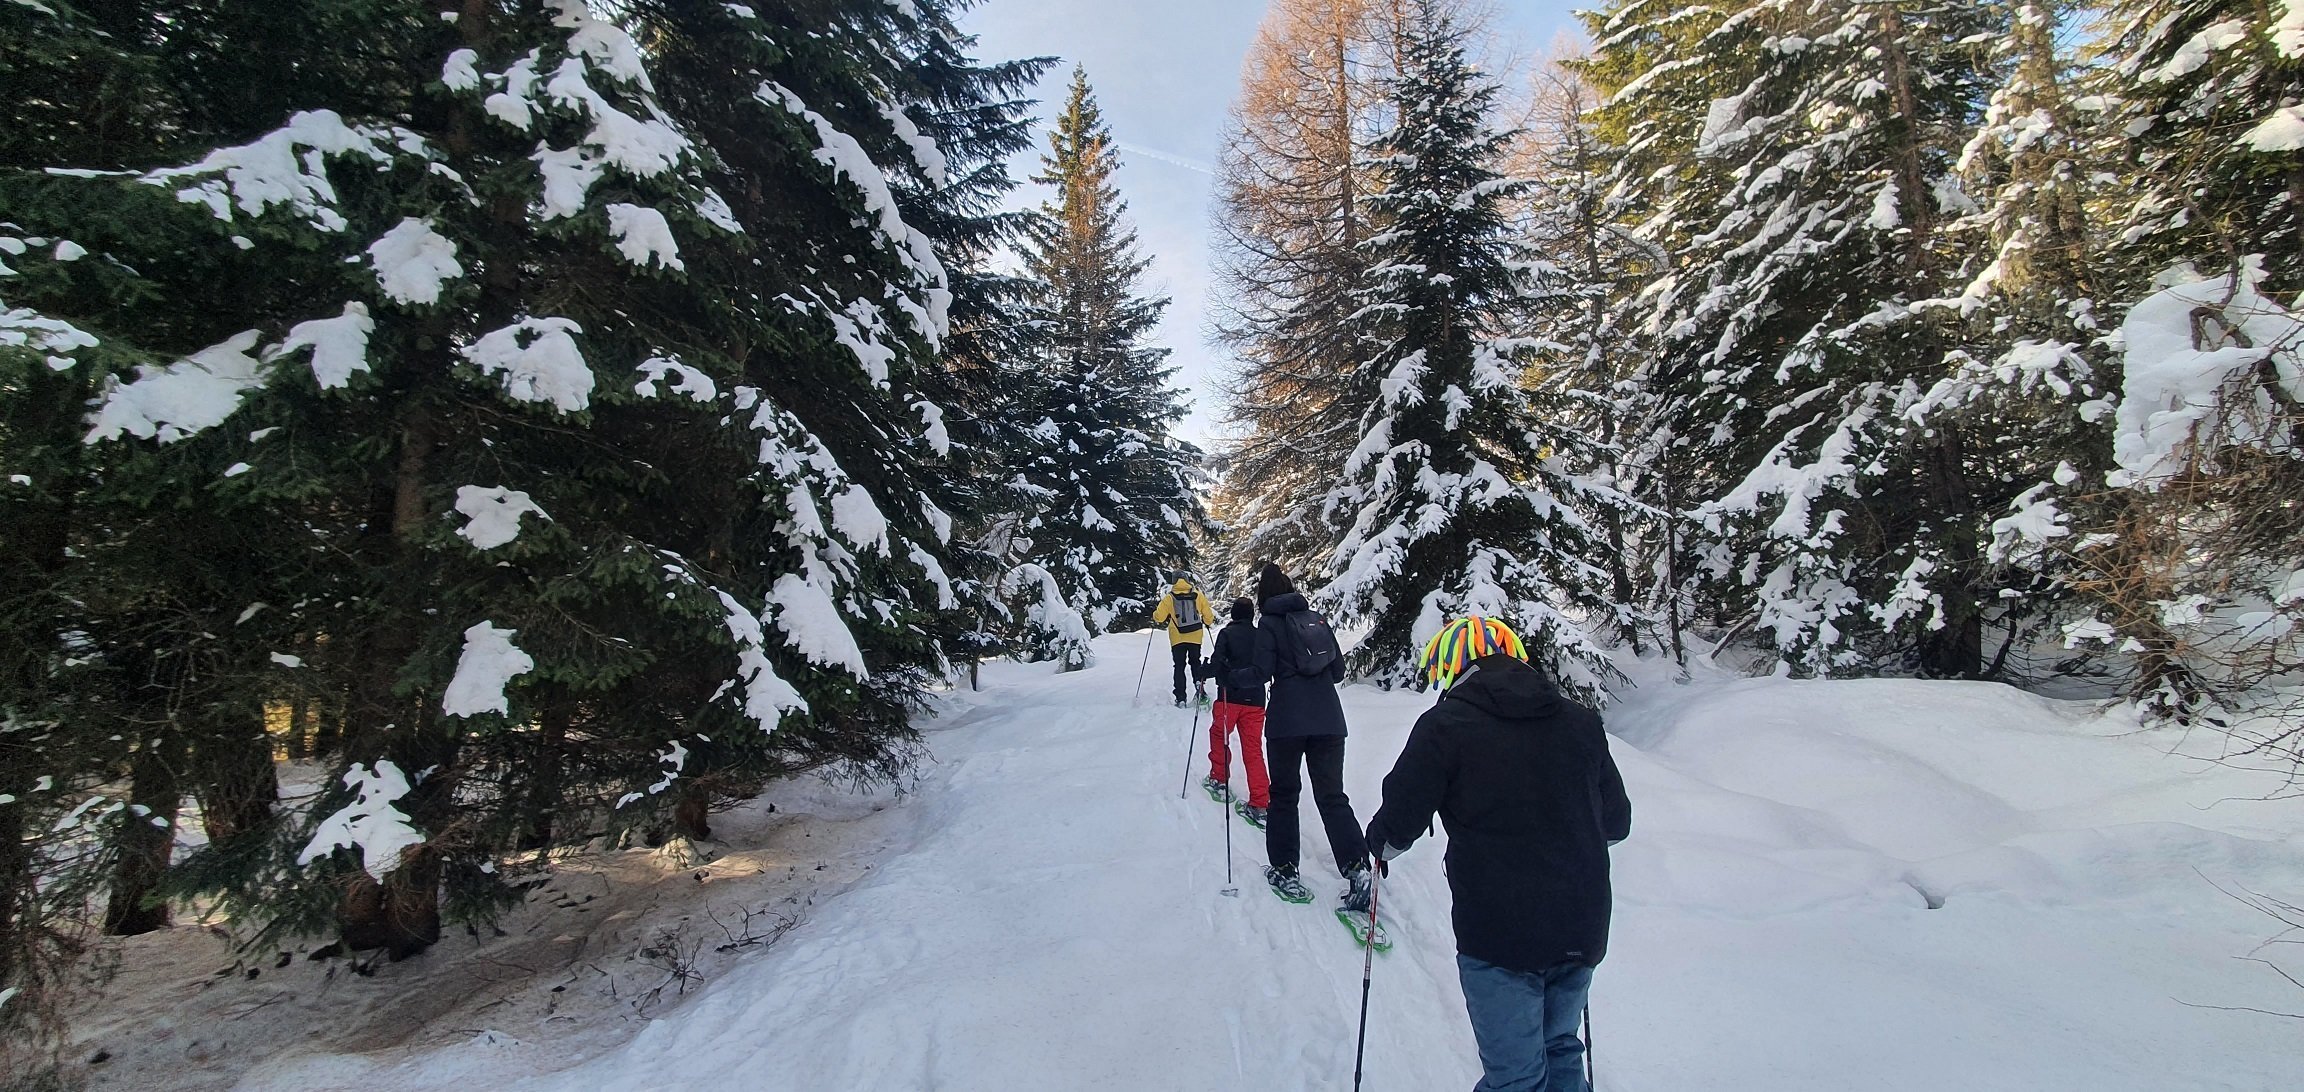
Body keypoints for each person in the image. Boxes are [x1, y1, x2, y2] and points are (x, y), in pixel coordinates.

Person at [1362, 616, 1632, 1092]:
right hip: (1581, 922)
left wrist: (1380, 845)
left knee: (1516, 1077)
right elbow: (1616, 824)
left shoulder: (1445, 725)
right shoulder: (1579, 720)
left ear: (1452, 667)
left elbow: (1399, 823)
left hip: (1499, 930)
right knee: (1560, 1048)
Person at [1251, 563, 1369, 906]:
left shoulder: (1268, 624)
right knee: (1332, 796)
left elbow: (1261, 672)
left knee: (1284, 795)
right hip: (1329, 720)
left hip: (1287, 722)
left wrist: (1230, 673)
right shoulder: (1315, 619)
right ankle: (1357, 867)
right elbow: (1337, 671)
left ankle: (1286, 869)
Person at [1201, 596, 1270, 826]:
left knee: (1220, 737)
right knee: (1253, 750)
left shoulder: (1227, 634)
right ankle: (1260, 803)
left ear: (1233, 614)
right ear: (1251, 615)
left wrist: (1204, 671)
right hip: (1256, 700)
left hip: (1229, 697)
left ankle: (1219, 781)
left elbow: (1218, 663)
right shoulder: (1261, 635)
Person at [1149, 576, 1213, 707]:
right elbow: (1208, 616)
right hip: (1195, 635)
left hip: (1177, 637)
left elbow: (1159, 617)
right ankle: (1199, 687)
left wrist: (1155, 615)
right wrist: (1207, 622)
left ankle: (1181, 698)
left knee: (1179, 666)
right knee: (1195, 662)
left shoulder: (1170, 597)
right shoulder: (1197, 595)